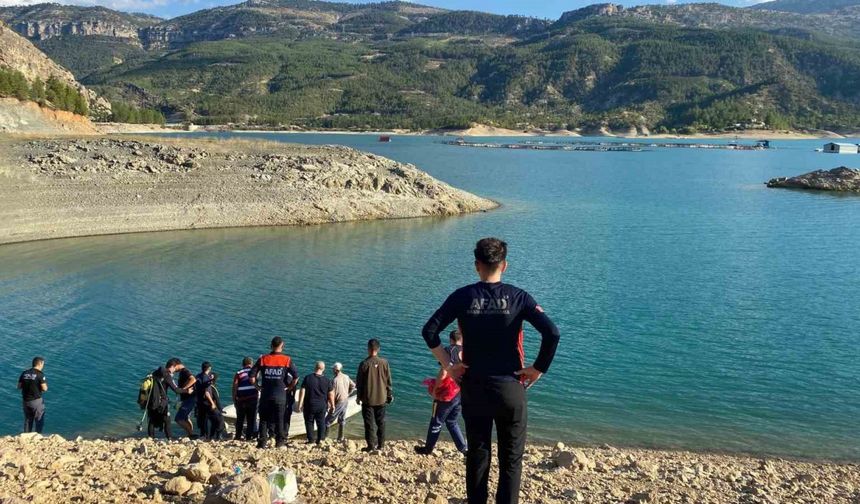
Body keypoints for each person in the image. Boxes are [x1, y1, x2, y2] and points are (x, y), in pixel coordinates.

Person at [421, 238, 560, 504]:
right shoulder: (519, 297)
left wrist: (449, 367)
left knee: (478, 453)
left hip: (475, 387)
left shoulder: (462, 296)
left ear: (477, 266)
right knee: (511, 459)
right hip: (511, 387)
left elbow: (429, 331)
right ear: (504, 265)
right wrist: (538, 369)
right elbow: (552, 333)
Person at [415, 330, 467, 455]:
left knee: (436, 420)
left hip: (447, 392)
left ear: (451, 340)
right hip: (461, 391)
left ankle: (428, 448)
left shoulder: (449, 350)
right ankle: (463, 448)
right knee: (452, 421)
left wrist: (435, 389)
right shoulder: (467, 351)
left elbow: (444, 372)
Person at [250, 336, 298, 449]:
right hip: (281, 394)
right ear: (282, 346)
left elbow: (252, 377)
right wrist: (289, 387)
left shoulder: (263, 359)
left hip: (266, 394)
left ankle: (262, 442)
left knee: (263, 419)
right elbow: (296, 377)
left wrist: (257, 387)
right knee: (280, 418)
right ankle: (279, 442)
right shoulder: (287, 360)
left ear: (271, 346)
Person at [355, 339, 393, 452]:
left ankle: (370, 446)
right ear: (378, 349)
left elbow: (359, 383)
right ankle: (381, 444)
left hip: (368, 399)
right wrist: (389, 394)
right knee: (381, 422)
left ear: (368, 349)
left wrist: (358, 396)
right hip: (381, 398)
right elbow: (388, 380)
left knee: (369, 424)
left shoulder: (364, 364)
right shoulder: (384, 363)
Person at [147, 358, 188, 440]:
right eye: (175, 368)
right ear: (172, 366)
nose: (175, 371)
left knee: (151, 419)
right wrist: (187, 390)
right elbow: (176, 390)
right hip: (162, 401)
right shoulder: (167, 376)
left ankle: (151, 438)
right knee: (167, 420)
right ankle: (170, 438)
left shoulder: (155, 373)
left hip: (151, 400)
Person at [298, 361, 335, 444]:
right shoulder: (327, 380)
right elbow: (331, 393)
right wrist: (332, 404)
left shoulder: (308, 378)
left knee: (309, 422)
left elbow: (302, 391)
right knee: (321, 422)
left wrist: (300, 403)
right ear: (323, 369)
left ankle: (310, 440)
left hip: (309, 405)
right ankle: (320, 440)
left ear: (315, 367)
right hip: (322, 405)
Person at [326, 362, 356, 442]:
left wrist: (330, 404)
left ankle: (325, 437)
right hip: (345, 400)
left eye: (333, 369)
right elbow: (353, 386)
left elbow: (332, 394)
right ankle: (340, 437)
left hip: (339, 402)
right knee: (342, 419)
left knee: (328, 420)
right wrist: (348, 393)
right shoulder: (346, 376)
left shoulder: (334, 380)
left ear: (335, 370)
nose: (332, 370)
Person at [18, 357, 47, 434]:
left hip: (26, 400)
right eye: (43, 364)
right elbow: (44, 388)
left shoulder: (24, 373)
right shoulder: (40, 374)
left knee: (28, 420)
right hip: (36, 401)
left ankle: (26, 436)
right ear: (40, 363)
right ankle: (37, 436)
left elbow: (19, 386)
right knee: (39, 419)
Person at [232, 357, 258, 441]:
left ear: (243, 364)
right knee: (251, 419)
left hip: (241, 399)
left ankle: (238, 436)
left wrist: (234, 397)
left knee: (240, 418)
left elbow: (235, 386)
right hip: (253, 398)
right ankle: (248, 437)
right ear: (251, 364)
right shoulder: (255, 372)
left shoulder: (239, 373)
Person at [175, 361, 198, 438]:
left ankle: (191, 434)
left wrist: (183, 389)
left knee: (178, 419)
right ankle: (190, 434)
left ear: (177, 365)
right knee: (186, 418)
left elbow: (193, 379)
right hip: (189, 398)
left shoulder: (185, 371)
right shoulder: (182, 372)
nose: (174, 370)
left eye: (174, 367)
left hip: (189, 399)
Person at [200, 373, 226, 440]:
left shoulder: (204, 386)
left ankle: (210, 436)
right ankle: (218, 436)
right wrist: (220, 410)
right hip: (211, 407)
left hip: (203, 407)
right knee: (220, 421)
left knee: (212, 422)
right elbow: (217, 400)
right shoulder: (212, 388)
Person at [195, 362, 215, 439]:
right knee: (207, 419)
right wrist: (212, 403)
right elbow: (207, 392)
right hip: (205, 401)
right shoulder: (207, 379)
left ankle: (202, 434)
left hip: (199, 400)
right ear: (209, 368)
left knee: (201, 418)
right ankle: (207, 435)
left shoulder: (198, 376)